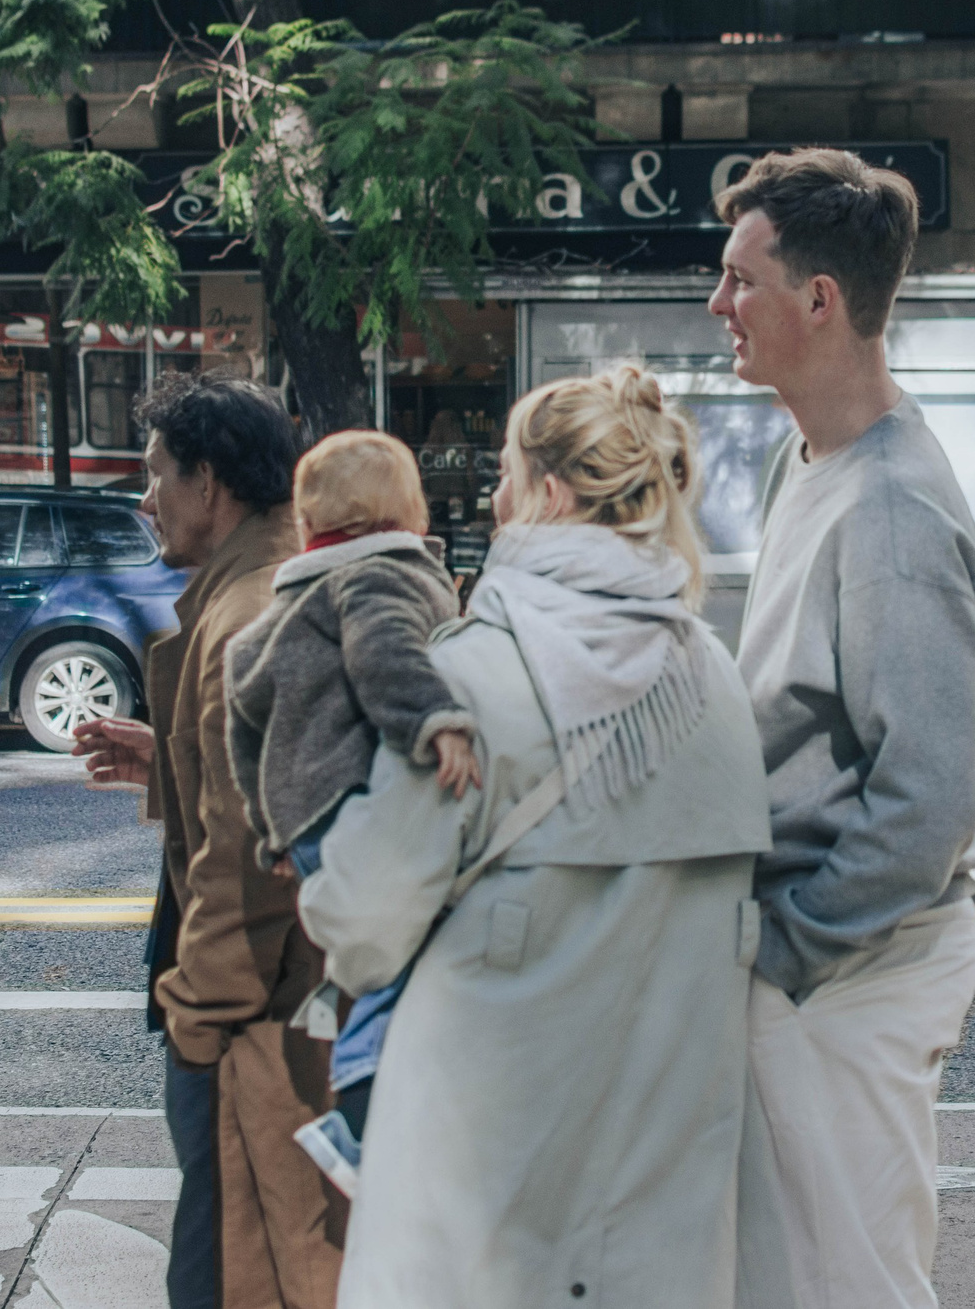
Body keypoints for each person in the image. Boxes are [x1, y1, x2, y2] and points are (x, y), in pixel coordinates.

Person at [295, 365, 771, 1309]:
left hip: (479, 1200)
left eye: (507, 477)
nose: (495, 497)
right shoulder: (716, 677)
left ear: (551, 495)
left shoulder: (477, 673)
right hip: (656, 1204)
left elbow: (358, 920)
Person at [706, 147, 975, 1309]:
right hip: (817, 967)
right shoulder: (814, 458)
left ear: (819, 301)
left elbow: (926, 804)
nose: (718, 303)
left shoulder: (891, 508)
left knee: (850, 1288)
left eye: (741, 278)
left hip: (850, 973)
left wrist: (788, 954)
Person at [67, 374, 339, 1309]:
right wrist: (166, 756)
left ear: (210, 481)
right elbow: (262, 780)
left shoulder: (245, 615)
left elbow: (245, 858)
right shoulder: (256, 590)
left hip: (249, 1017)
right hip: (271, 1006)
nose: (146, 499)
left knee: (229, 1267)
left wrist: (199, 1012)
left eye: (156, 475)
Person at [222, 429, 473, 1177]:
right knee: (404, 949)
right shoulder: (378, 576)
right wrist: (437, 720)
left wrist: (271, 830)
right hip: (349, 794)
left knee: (371, 939)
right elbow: (385, 655)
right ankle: (359, 1114)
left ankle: (354, 1039)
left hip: (301, 812)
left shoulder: (288, 606)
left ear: (308, 525)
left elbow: (244, 717)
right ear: (410, 515)